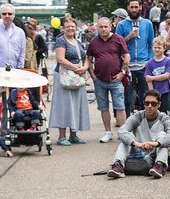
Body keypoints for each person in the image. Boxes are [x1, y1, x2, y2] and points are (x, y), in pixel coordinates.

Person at [107, 90, 170, 179]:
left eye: (153, 104)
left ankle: (159, 166)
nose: (149, 106)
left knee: (163, 136)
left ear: (159, 104)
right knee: (126, 138)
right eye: (147, 103)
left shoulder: (165, 118)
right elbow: (121, 131)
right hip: (138, 150)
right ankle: (118, 165)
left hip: (154, 153)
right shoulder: (138, 116)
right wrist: (136, 144)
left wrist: (155, 144)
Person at [87, 17, 130, 143]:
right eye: (101, 27)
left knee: (120, 107)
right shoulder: (93, 42)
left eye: (106, 26)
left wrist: (122, 73)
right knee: (103, 108)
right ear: (97, 28)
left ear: (110, 27)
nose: (103, 29)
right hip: (100, 80)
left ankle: (123, 133)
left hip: (116, 80)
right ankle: (108, 132)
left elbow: (127, 56)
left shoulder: (118, 39)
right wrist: (93, 76)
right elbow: (89, 60)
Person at [49, 16, 90, 145]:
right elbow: (60, 59)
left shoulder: (77, 42)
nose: (70, 28)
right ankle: (61, 136)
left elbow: (85, 57)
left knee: (76, 105)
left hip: (77, 77)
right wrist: (77, 68)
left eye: (72, 26)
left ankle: (73, 134)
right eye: (67, 26)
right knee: (64, 105)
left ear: (76, 28)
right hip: (64, 77)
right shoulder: (61, 41)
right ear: (62, 28)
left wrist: (84, 68)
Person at [115, 0, 155, 113]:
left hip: (143, 65)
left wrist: (149, 61)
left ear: (140, 7)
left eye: (136, 7)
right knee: (127, 98)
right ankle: (127, 120)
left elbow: (151, 44)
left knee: (145, 97)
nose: (134, 10)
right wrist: (129, 37)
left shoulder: (147, 24)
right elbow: (116, 45)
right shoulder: (121, 25)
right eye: (131, 7)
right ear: (128, 8)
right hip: (128, 66)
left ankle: (144, 120)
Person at [144, 36, 170, 118]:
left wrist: (152, 77)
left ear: (164, 48)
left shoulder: (168, 61)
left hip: (166, 91)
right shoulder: (149, 63)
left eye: (159, 48)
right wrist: (152, 94)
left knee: (169, 114)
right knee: (155, 114)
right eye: (155, 47)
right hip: (155, 92)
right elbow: (148, 80)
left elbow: (166, 75)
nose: (157, 50)